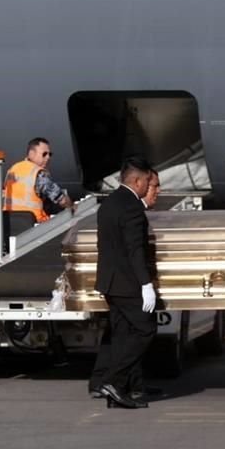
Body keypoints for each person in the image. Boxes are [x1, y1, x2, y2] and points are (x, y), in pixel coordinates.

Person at [92, 158, 160, 409]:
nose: (148, 187)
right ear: (137, 181)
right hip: (127, 283)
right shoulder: (132, 207)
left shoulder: (109, 203)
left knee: (123, 334)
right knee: (145, 329)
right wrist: (146, 284)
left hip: (110, 282)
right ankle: (114, 381)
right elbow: (135, 251)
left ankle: (128, 387)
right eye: (147, 182)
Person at [2, 137, 73, 235]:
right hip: (33, 227)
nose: (48, 157)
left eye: (49, 154)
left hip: (9, 226)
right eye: (44, 154)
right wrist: (72, 207)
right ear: (31, 154)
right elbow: (61, 199)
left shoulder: (13, 169)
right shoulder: (37, 174)